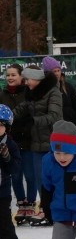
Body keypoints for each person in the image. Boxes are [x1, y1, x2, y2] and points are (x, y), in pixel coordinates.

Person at [13, 65, 62, 227]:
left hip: (53, 142)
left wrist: (33, 121)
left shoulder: (53, 92)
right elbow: (21, 109)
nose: (26, 83)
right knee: (41, 178)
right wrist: (6, 116)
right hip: (36, 143)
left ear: (37, 79)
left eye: (28, 79)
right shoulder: (31, 94)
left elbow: (54, 116)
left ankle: (55, 211)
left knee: (52, 179)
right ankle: (46, 209)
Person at [1, 64, 31, 225]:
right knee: (15, 176)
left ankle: (31, 204)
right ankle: (21, 204)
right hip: (9, 140)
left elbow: (30, 114)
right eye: (8, 75)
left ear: (21, 77)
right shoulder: (2, 94)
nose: (10, 78)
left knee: (30, 174)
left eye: (13, 75)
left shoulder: (27, 93)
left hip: (26, 139)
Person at [0, 105, 26, 239]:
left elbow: (15, 169)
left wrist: (7, 157)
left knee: (6, 229)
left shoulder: (10, 144)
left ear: (7, 127)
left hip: (2, 195)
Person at [42, 56, 76, 128]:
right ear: (48, 73)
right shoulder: (44, 88)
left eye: (58, 70)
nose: (57, 73)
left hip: (70, 125)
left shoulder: (67, 87)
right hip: (52, 127)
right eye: (54, 71)